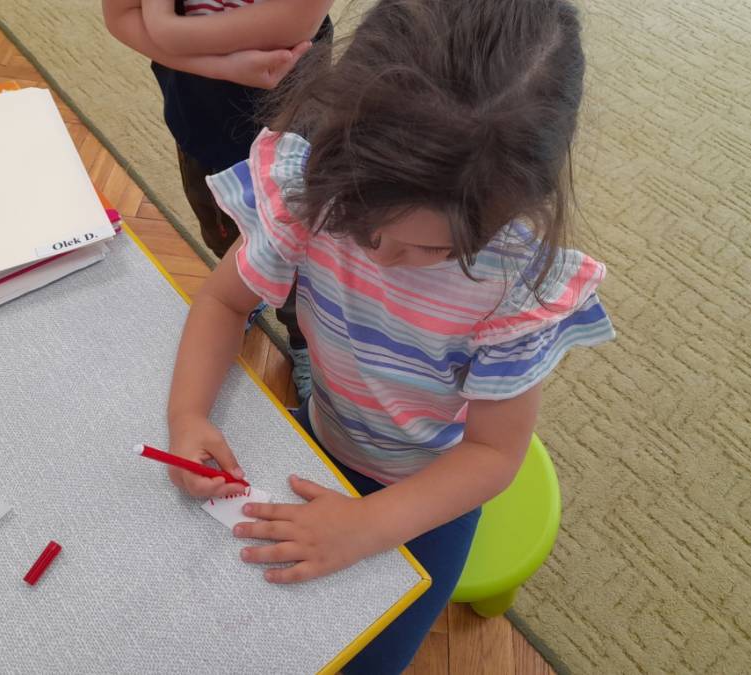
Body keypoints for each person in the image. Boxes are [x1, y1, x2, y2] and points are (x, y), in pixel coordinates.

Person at [165, 0, 615, 671]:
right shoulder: (312, 188)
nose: (380, 255)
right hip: (324, 435)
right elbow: (224, 301)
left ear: (515, 205)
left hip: (431, 490)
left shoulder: (515, 289)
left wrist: (366, 526)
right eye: (359, 220)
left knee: (364, 657)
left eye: (427, 249)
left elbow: (493, 454)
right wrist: (189, 415)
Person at [102, 0, 335, 400]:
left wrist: (164, 27)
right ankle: (244, 290)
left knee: (300, 256)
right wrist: (222, 66)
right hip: (202, 123)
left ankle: (304, 338)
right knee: (222, 230)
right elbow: (121, 18)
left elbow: (293, 23)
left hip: (291, 131)